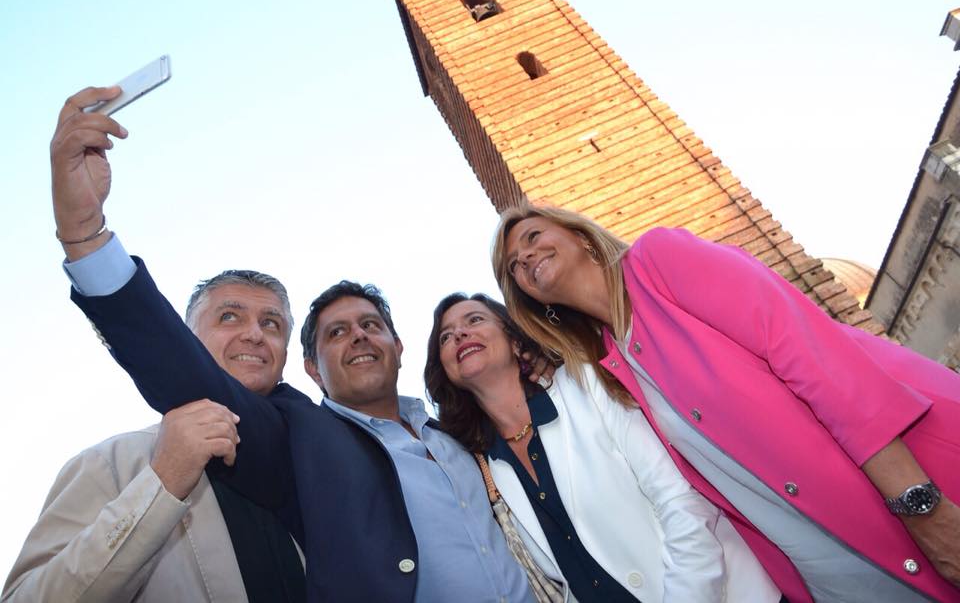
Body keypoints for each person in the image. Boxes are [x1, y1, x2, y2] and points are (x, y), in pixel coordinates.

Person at [49, 85, 540, 602]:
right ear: (308, 368)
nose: (358, 336)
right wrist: (85, 235)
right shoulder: (299, 437)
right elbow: (185, 371)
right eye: (336, 332)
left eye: (371, 326)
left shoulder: (460, 434)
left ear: (399, 346)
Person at [491, 201, 960, 603]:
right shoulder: (613, 369)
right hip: (835, 574)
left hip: (913, 501)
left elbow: (813, 358)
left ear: (581, 237)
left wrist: (921, 504)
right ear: (532, 301)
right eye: (513, 264)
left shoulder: (659, 263)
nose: (526, 256)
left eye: (533, 236)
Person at [425, 292, 783, 602]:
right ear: (446, 371)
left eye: (474, 319)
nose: (459, 333)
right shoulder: (485, 466)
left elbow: (682, 502)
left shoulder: (585, 384)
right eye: (445, 337)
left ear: (516, 341)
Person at [2, 269, 306, 603]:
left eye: (271, 324)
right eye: (230, 316)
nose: (254, 334)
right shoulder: (113, 462)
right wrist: (163, 482)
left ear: (285, 355)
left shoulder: (312, 469)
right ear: (185, 340)